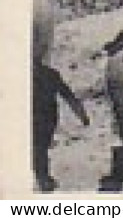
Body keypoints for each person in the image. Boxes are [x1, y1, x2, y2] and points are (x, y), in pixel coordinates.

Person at [34, 56, 89, 192]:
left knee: (39, 148)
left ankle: (42, 177)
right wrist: (83, 116)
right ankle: (43, 177)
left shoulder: (27, 75)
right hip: (47, 118)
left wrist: (82, 116)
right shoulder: (51, 74)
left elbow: (68, 96)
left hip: (41, 117)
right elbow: (68, 96)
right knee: (41, 148)